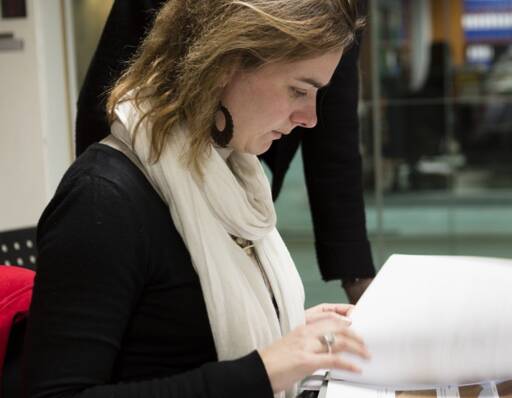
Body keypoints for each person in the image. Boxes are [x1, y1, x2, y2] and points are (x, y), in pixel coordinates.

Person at [23, 1, 372, 397]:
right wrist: (264, 370)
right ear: (224, 63)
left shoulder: (230, 174)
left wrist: (285, 327)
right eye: (298, 90)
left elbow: (179, 337)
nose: (310, 118)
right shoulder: (103, 199)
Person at [75, 0, 375, 303]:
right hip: (158, 141)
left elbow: (334, 131)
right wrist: (109, 203)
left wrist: (356, 275)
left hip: (240, 147)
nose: (310, 119)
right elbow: (109, 83)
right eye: (298, 91)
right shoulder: (101, 193)